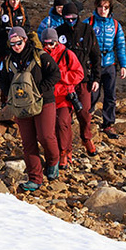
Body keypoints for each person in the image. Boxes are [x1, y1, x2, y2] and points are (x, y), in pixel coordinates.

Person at [0, 26, 60, 192]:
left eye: (19, 42)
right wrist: (11, 96)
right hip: (21, 105)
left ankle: (53, 161)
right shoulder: (8, 61)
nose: (16, 47)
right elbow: (2, 81)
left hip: (43, 101)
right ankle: (35, 178)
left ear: (25, 40)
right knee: (28, 142)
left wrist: (40, 90)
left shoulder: (40, 56)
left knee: (45, 136)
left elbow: (55, 74)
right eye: (12, 44)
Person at [57, 0, 103, 154]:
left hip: (83, 79)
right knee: (64, 119)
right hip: (64, 81)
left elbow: (96, 55)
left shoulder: (87, 30)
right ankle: (66, 150)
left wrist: (96, 78)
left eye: (73, 18)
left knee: (84, 112)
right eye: (67, 19)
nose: (70, 21)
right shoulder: (58, 32)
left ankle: (86, 138)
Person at [42, 27, 84, 168]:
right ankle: (56, 153)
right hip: (47, 96)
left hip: (64, 96)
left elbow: (79, 74)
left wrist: (60, 76)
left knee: (62, 123)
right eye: (45, 43)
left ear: (56, 41)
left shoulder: (67, 54)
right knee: (50, 127)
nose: (48, 46)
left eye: (51, 43)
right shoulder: (40, 55)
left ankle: (64, 153)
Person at [90, 0, 126, 138]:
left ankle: (108, 125)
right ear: (96, 7)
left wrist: (123, 65)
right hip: (93, 65)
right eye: (100, 7)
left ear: (110, 8)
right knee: (92, 95)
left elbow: (120, 46)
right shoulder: (89, 23)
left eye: (106, 7)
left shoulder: (116, 25)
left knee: (110, 96)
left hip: (110, 64)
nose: (103, 10)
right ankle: (86, 121)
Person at [0, 0, 32, 89]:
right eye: (13, 0)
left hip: (20, 49)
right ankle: (5, 95)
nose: (15, 2)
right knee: (5, 74)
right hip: (4, 47)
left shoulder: (22, 11)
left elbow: (27, 27)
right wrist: (5, 31)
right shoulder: (0, 11)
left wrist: (19, 32)